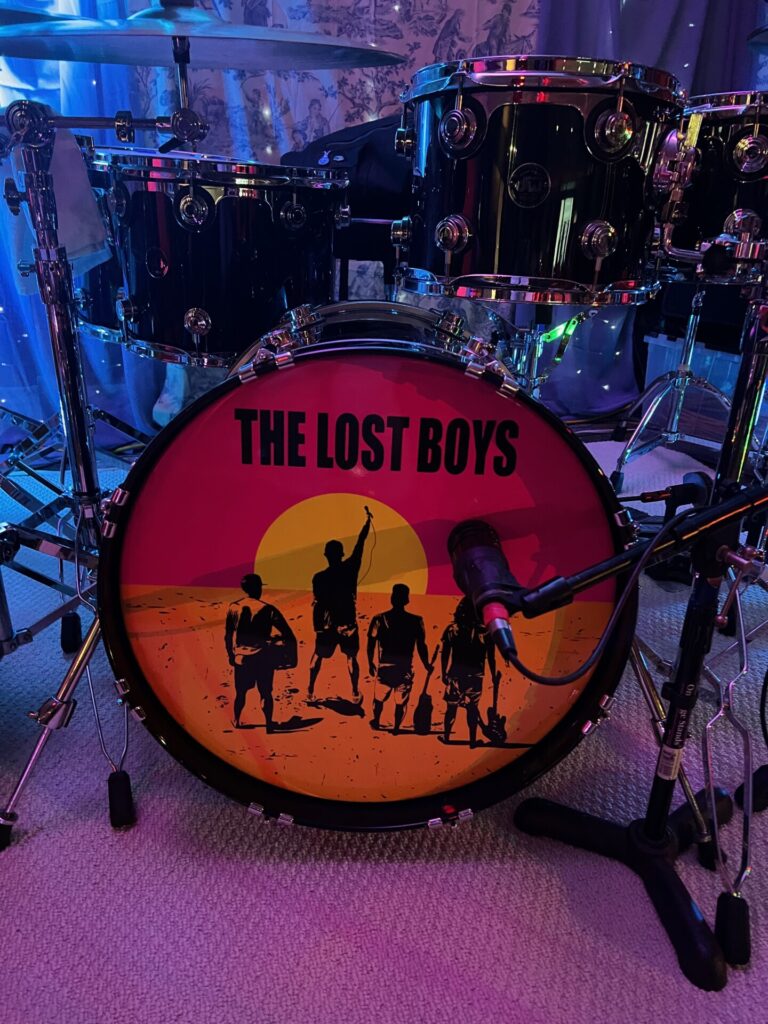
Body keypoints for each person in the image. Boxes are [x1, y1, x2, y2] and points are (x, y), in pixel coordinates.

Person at [308, 509, 372, 700]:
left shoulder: (318, 577)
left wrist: (318, 628)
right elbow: (360, 544)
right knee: (351, 657)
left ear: (326, 555)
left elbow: (318, 603)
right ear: (342, 554)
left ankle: (310, 691)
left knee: (318, 655)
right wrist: (367, 524)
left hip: (327, 625)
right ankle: (355, 692)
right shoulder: (350, 568)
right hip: (347, 623)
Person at [225, 573, 296, 732]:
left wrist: (231, 655)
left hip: (241, 657)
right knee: (265, 692)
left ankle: (236, 720)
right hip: (263, 656)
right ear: (258, 588)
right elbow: (288, 634)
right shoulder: (268, 609)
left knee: (240, 692)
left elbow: (228, 636)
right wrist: (277, 642)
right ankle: (269, 724)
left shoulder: (234, 607)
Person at [367, 584, 430, 734]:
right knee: (401, 701)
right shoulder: (416, 621)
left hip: (385, 666)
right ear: (407, 600)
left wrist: (370, 662)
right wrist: (426, 664)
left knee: (379, 698)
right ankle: (396, 727)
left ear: (392, 598)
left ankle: (376, 721)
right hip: (404, 667)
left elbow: (371, 643)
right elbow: (421, 645)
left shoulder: (379, 619)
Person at [439, 597, 496, 748]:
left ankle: (446, 737)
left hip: (455, 675)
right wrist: (493, 675)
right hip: (476, 676)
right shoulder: (486, 632)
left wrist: (443, 673)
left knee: (451, 707)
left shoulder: (452, 629)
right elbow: (491, 657)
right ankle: (472, 740)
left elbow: (445, 653)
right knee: (472, 708)